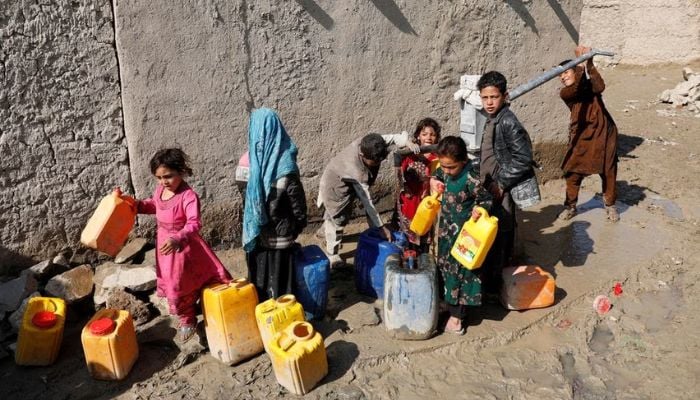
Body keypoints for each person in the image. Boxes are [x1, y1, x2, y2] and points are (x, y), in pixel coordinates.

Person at [135, 148, 232, 343]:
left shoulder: (188, 196)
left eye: (168, 176)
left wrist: (178, 238)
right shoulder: (161, 190)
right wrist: (137, 205)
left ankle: (206, 312)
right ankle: (187, 319)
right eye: (159, 178)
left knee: (188, 282)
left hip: (185, 247)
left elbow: (194, 223)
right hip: (165, 247)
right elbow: (155, 205)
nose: (163, 182)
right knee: (176, 284)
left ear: (181, 171)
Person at [317, 132, 419, 267]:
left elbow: (394, 138)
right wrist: (381, 227)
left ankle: (322, 232)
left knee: (341, 215)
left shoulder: (374, 143)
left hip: (348, 180)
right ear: (362, 156)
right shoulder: (355, 169)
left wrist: (407, 142)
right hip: (335, 183)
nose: (377, 164)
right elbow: (368, 202)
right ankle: (332, 255)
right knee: (337, 217)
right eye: (374, 162)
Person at [476, 71, 537, 296]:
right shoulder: (492, 118)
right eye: (485, 98)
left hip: (502, 188)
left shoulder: (508, 121)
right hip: (490, 186)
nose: (489, 102)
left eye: (494, 97)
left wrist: (501, 183)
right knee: (490, 231)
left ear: (505, 95)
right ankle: (493, 277)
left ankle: (498, 283)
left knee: (502, 233)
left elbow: (524, 158)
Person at [243, 108, 307, 301]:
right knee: (281, 280)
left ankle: (262, 308)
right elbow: (297, 204)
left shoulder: (245, 162)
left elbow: (245, 199)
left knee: (259, 275)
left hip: (255, 231)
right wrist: (299, 224)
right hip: (281, 233)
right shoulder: (285, 164)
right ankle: (281, 314)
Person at [430, 136, 492, 334]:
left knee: (461, 274)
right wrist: (434, 181)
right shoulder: (445, 171)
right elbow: (437, 175)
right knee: (446, 270)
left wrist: (479, 210)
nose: (446, 171)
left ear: (463, 161)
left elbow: (487, 200)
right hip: (446, 233)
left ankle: (457, 319)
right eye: (443, 166)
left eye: (451, 167)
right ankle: (448, 304)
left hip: (464, 237)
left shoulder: (471, 178)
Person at [558, 45, 619, 222]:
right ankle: (570, 206)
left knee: (608, 171)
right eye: (560, 75)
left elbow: (599, 86)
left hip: (604, 134)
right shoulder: (566, 93)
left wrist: (589, 62)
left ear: (575, 72)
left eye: (566, 72)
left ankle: (610, 204)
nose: (562, 77)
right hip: (582, 137)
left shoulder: (590, 86)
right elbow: (576, 88)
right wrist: (580, 65)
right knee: (573, 172)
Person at [394, 118, 441, 251]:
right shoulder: (410, 153)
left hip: (427, 199)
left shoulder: (437, 156)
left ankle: (422, 254)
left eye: (432, 134)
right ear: (418, 136)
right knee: (407, 230)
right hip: (410, 198)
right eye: (424, 134)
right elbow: (399, 173)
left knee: (425, 226)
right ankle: (407, 253)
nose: (428, 137)